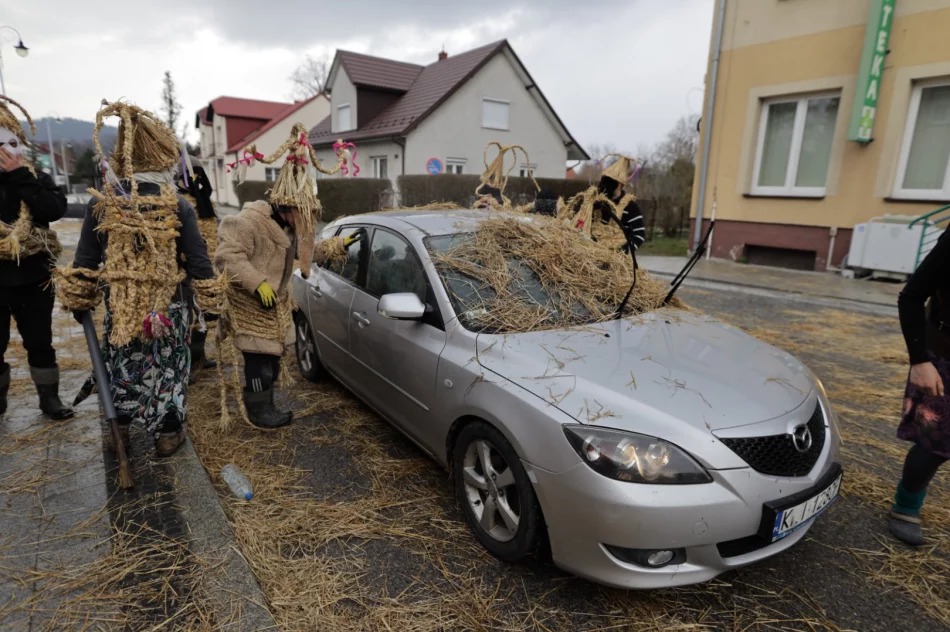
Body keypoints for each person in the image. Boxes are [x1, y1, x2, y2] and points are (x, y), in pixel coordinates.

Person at [64, 101, 215, 457]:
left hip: (122, 309)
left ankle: (119, 430)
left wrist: (80, 298)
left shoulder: (103, 204)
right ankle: (168, 433)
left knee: (122, 365)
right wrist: (211, 301)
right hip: (169, 309)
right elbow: (198, 260)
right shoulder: (178, 205)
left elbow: (85, 260)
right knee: (169, 368)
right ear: (164, 157)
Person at [214, 124, 348, 428]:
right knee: (259, 364)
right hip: (251, 309)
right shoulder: (249, 223)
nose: (305, 221)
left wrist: (338, 246)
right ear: (284, 207)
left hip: (273, 307)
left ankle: (266, 404)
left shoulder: (288, 227)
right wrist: (257, 284)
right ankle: (259, 412)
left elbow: (307, 251)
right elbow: (226, 258)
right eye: (301, 213)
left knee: (271, 363)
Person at [0, 95, 73, 420]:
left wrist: (20, 176)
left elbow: (54, 209)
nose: (5, 152)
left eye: (11, 144)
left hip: (34, 277)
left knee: (40, 342)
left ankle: (49, 399)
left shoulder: (35, 177)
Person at [890, 229, 950, 545]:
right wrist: (920, 362)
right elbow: (911, 297)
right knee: (934, 445)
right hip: (943, 361)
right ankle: (906, 507)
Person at [176, 155, 218, 377]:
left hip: (206, 269)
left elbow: (212, 234)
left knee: (204, 316)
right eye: (190, 175)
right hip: (185, 271)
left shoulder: (205, 202)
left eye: (198, 174)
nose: (195, 179)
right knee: (186, 319)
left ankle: (198, 359)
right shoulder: (176, 204)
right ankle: (186, 367)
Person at [597, 155, 646, 251]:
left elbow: (639, 235)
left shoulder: (630, 206)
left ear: (619, 185)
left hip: (618, 255)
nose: (604, 186)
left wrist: (622, 251)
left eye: (609, 183)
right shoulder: (598, 203)